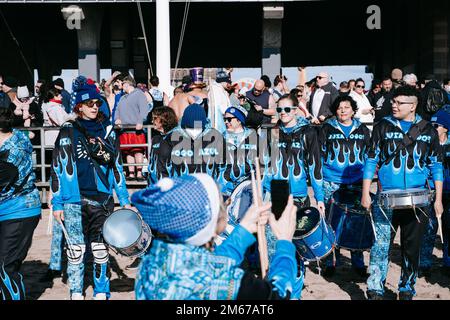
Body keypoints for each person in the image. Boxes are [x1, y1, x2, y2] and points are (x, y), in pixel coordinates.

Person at [132, 173, 301, 300]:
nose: (227, 203)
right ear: (209, 222)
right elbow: (277, 294)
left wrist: (243, 230)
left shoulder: (152, 261)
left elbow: (208, 266)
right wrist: (284, 242)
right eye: (222, 202)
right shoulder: (225, 281)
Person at [361, 86, 444, 300]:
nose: (394, 105)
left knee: (411, 248)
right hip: (385, 198)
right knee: (380, 246)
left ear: (413, 106)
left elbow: (436, 166)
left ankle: (406, 288)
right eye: (393, 102)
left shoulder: (428, 130)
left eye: (400, 103)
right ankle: (375, 289)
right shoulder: (382, 126)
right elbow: (371, 160)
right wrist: (365, 192)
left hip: (419, 200)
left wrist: (439, 200)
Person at [50, 82, 131, 300]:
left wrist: (124, 199)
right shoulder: (67, 130)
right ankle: (76, 291)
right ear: (78, 107)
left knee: (100, 249)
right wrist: (57, 204)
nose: (94, 107)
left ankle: (101, 290)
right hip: (73, 201)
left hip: (102, 199)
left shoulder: (108, 131)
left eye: (96, 102)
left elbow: (117, 167)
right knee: (75, 251)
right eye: (88, 103)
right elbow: (57, 167)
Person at [318, 95, 372, 277]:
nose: (343, 110)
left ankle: (357, 262)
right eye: (339, 107)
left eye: (347, 107)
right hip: (331, 180)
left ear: (353, 110)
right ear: (335, 111)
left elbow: (369, 155)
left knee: (356, 221)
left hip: (356, 181)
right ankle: (331, 261)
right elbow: (320, 155)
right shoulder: (326, 128)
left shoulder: (363, 129)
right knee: (330, 221)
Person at [0, 107, 41, 300]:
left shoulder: (11, 155)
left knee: (5, 266)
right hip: (10, 209)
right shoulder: (14, 137)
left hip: (19, 211)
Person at [263, 94, 325, 215]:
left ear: (295, 110)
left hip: (299, 195)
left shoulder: (308, 132)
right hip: (276, 194)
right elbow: (266, 166)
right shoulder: (272, 132)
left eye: (287, 109)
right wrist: (263, 194)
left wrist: (320, 197)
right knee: (278, 234)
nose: (282, 113)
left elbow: (315, 166)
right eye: (279, 109)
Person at [419, 108, 450, 277]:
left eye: (437, 125)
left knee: (448, 228)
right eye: (431, 125)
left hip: (449, 192)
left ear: (446, 127)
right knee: (428, 228)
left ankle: (447, 261)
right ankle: (424, 263)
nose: (433, 128)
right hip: (431, 190)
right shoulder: (427, 143)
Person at [218, 106, 258, 197]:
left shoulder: (253, 137)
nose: (226, 122)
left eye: (229, 119)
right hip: (225, 189)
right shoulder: (220, 138)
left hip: (246, 188)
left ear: (239, 120)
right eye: (225, 119)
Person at [115, 75, 149, 181]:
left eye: (123, 84)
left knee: (138, 151)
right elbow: (117, 110)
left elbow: (144, 109)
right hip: (124, 129)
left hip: (136, 129)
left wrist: (140, 121)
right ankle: (131, 173)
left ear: (127, 84)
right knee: (128, 152)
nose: (121, 86)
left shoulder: (139, 94)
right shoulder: (122, 97)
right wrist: (117, 119)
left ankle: (139, 173)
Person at [147, 106, 178, 185]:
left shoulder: (175, 137)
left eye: (155, 118)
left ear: (164, 119)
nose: (152, 121)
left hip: (169, 186)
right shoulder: (155, 139)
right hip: (154, 186)